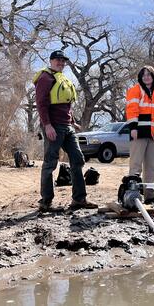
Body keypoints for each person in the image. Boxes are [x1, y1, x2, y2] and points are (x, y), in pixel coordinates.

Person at [33, 50, 98, 212]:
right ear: (51, 61)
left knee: (78, 159)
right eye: (58, 60)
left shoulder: (61, 78)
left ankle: (79, 199)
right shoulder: (45, 78)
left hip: (67, 127)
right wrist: (47, 125)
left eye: (63, 61)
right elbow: (41, 104)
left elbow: (66, 104)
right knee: (50, 163)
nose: (61, 63)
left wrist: (73, 122)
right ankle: (45, 202)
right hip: (54, 127)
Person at [125, 66, 154, 205]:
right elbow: (131, 109)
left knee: (151, 166)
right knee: (136, 164)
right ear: (140, 77)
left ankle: (150, 195)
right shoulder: (135, 90)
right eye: (143, 75)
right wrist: (133, 127)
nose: (146, 77)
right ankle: (132, 194)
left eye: (149, 75)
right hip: (138, 131)